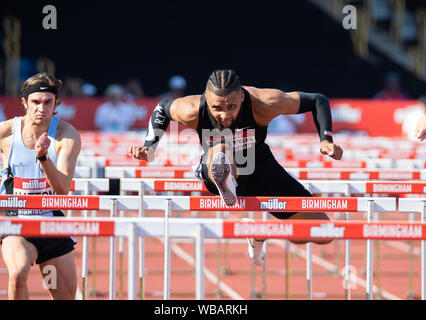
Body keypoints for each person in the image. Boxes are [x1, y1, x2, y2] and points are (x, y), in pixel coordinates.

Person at [128, 69, 343, 266]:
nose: (225, 115)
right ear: (207, 99)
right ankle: (225, 177)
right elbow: (162, 108)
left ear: (242, 97)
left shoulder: (264, 102)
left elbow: (317, 100)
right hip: (215, 164)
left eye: (232, 106)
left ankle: (260, 232)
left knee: (323, 232)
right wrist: (150, 146)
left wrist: (326, 139)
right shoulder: (192, 109)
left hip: (260, 167)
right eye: (217, 108)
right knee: (222, 146)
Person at [0, 72, 81, 299]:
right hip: (17, 225)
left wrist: (43, 157)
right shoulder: (4, 131)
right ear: (24, 103)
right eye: (35, 102)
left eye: (47, 102)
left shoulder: (66, 135)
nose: (41, 108)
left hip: (52, 226)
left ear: (56, 104)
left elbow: (62, 190)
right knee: (17, 272)